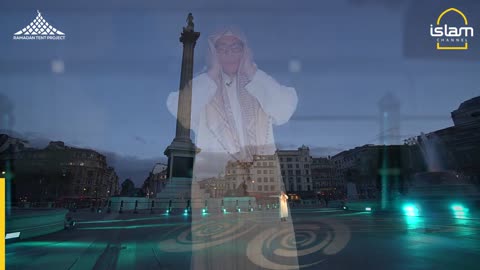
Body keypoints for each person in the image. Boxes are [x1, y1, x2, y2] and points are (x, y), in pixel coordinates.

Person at [166, 27, 299, 270]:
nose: (229, 53)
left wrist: (252, 72)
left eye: (235, 47)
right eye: (222, 49)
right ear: (213, 54)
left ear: (245, 51)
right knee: (222, 255)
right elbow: (179, 109)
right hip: (217, 184)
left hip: (262, 182)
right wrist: (211, 75)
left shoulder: (259, 84)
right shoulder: (206, 86)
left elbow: (285, 107)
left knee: (266, 253)